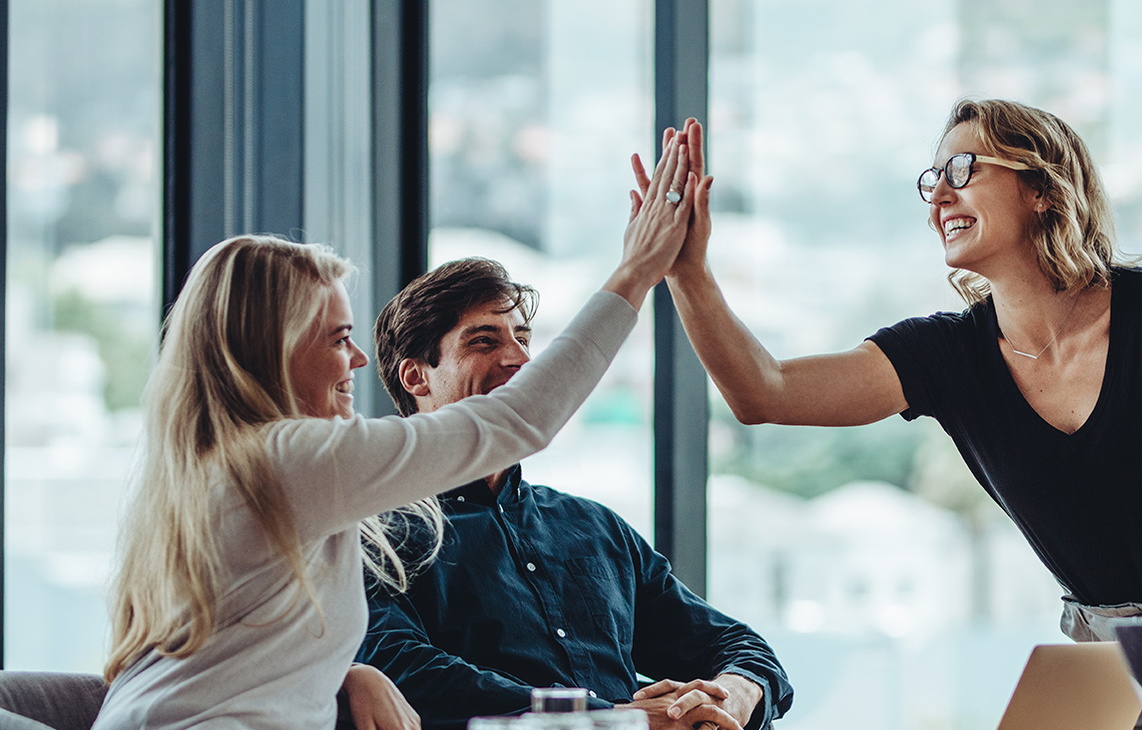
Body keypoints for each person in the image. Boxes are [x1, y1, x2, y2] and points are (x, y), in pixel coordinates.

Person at [653, 101, 1142, 728]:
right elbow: (763, 393)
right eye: (933, 180)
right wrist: (687, 272)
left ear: (1043, 188)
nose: (941, 195)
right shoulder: (946, 358)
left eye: (965, 167)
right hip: (1109, 641)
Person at [93, 130, 701, 730]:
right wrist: (636, 272)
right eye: (337, 339)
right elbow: (519, 418)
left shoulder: (211, 465)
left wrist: (349, 674)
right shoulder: (286, 459)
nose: (358, 360)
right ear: (274, 350)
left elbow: (235, 650)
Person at [354, 257, 792, 730]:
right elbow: (405, 671)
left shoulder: (594, 526)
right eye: (484, 341)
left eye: (522, 338)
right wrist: (614, 720)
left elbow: (733, 645)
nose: (519, 359)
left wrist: (735, 695)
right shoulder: (371, 531)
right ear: (416, 377)